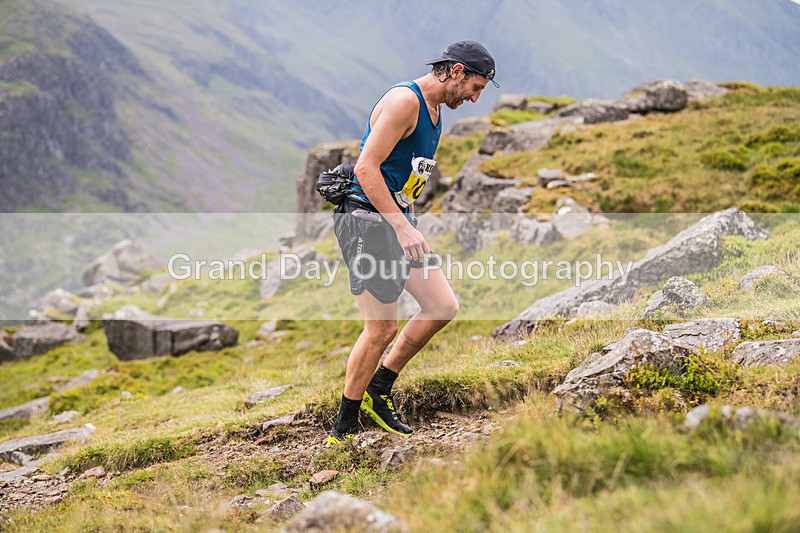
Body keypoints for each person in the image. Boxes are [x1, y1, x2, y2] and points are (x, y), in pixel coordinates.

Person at [328, 41, 498, 445]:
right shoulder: (406, 101)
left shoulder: (437, 110)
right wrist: (402, 228)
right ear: (455, 71)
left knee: (442, 306)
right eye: (475, 87)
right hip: (367, 223)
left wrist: (408, 220)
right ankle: (344, 427)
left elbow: (402, 175)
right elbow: (366, 169)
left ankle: (379, 389)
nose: (475, 98)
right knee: (381, 327)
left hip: (396, 220)